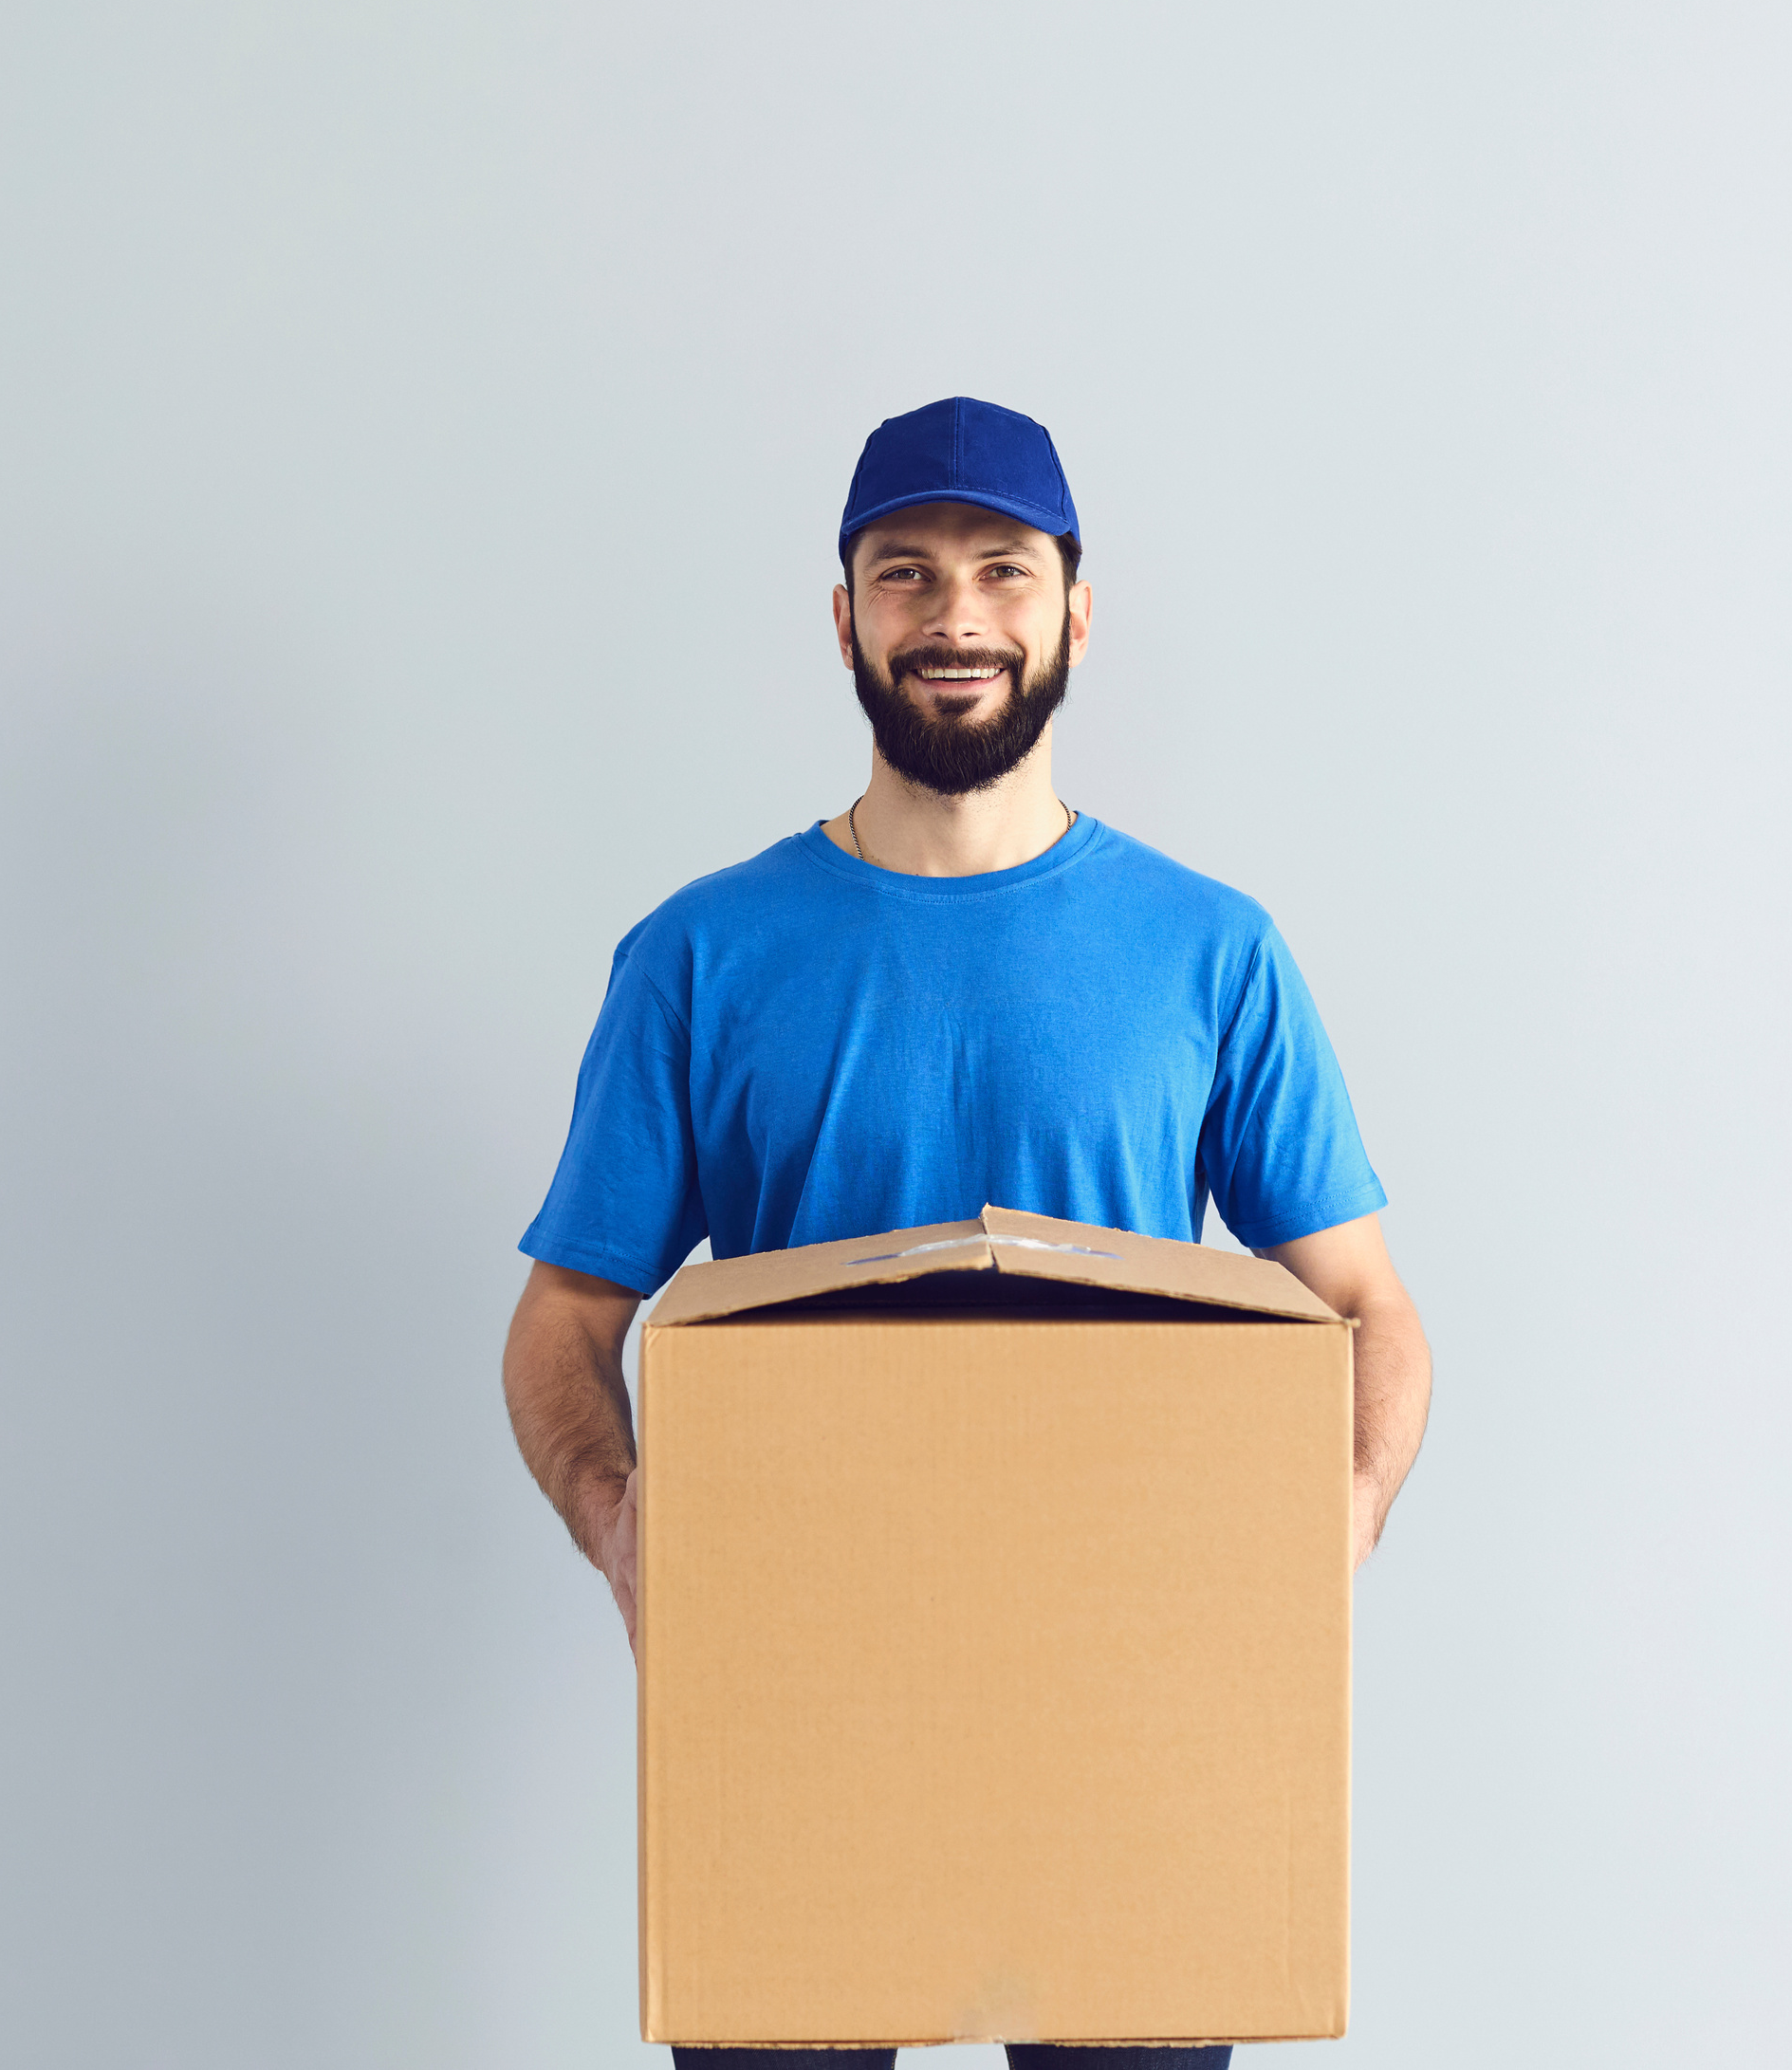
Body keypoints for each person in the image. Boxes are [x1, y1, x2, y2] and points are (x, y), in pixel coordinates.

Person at [501, 397, 1433, 2070]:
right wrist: (624, 1524)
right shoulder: (701, 955)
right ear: (843, 614)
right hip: (795, 1706)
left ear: (1076, 611)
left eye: (1001, 571)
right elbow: (563, 1319)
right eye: (905, 573)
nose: (954, 617)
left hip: (1133, 1702)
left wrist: (1318, 1536)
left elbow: (1368, 1303)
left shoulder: (1207, 952)